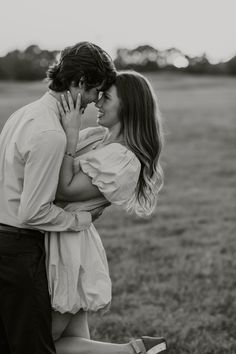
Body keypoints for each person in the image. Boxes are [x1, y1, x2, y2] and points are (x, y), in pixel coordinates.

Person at [0, 41, 116, 354]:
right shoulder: (50, 133)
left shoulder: (24, 114)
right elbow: (33, 212)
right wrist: (80, 220)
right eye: (95, 91)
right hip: (19, 249)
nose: (94, 102)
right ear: (79, 84)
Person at [46, 71, 167, 354]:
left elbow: (65, 188)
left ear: (128, 106)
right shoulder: (100, 138)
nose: (98, 103)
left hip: (69, 247)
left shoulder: (123, 157)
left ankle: (134, 351)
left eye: (107, 98)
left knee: (37, 341)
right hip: (61, 235)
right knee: (74, 338)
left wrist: (71, 134)